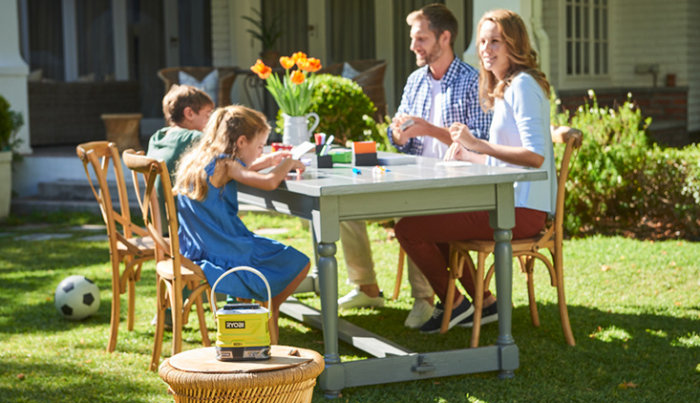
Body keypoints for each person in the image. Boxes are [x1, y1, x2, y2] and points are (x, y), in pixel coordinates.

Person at [394, 8, 556, 334]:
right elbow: (507, 161)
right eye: (482, 41)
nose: (486, 49)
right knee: (425, 221)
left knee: (410, 230)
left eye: (496, 41)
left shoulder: (522, 86)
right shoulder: (507, 86)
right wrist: (471, 156)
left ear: (515, 44)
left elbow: (535, 157)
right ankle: (483, 303)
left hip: (521, 210)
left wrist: (477, 145)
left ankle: (456, 304)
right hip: (508, 201)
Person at [338, 3, 492, 330]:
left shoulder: (472, 81)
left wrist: (429, 129)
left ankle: (425, 300)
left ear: (445, 37)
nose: (413, 46)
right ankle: (366, 286)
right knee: (344, 208)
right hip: (413, 176)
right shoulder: (415, 81)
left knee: (410, 215)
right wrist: (399, 134)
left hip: (455, 186)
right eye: (413, 38)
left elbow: (481, 140)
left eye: (420, 38)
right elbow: (404, 139)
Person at [173, 105, 310, 344]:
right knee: (300, 263)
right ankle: (268, 309)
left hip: (197, 249)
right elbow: (268, 182)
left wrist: (268, 159)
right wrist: (287, 162)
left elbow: (240, 169)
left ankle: (258, 308)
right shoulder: (226, 164)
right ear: (241, 142)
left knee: (272, 254)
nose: (260, 152)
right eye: (259, 147)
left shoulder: (197, 160)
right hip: (228, 249)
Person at [147, 84, 215, 225]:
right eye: (207, 115)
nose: (211, 121)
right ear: (189, 113)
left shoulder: (157, 137)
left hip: (158, 224)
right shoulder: (194, 138)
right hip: (182, 225)